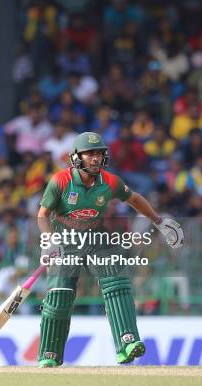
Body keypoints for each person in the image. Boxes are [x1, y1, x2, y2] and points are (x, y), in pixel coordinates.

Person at [36, 132, 183, 367]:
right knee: (59, 298)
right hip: (64, 243)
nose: (96, 158)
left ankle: (127, 342)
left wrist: (158, 221)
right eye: (90, 154)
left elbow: (134, 199)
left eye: (99, 154)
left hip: (96, 240)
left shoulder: (110, 181)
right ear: (76, 158)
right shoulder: (60, 181)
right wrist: (50, 241)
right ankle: (49, 354)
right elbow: (42, 215)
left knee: (117, 279)